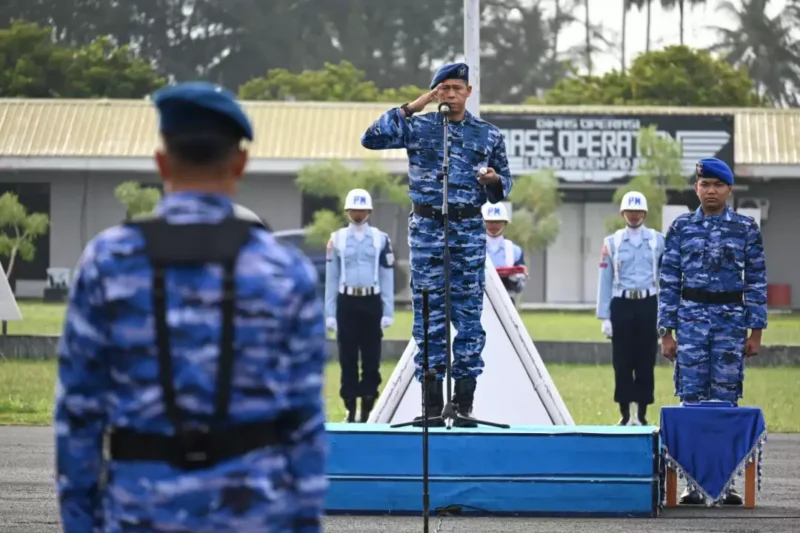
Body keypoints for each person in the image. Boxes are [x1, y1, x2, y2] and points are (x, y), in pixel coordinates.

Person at [54, 81, 328, 533]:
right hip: (254, 511)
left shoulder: (108, 262)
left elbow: (79, 413)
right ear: (240, 162)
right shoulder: (285, 271)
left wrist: (81, 522)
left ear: (162, 160)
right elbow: (304, 419)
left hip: (139, 510)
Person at [360, 62, 513, 427]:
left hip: (466, 233)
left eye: (457, 88)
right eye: (443, 88)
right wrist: (414, 106)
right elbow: (371, 138)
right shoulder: (418, 127)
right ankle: (430, 404)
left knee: (469, 319)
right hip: (428, 231)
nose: (450, 94)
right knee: (428, 317)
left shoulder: (487, 134)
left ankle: (463, 403)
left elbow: (504, 184)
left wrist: (493, 180)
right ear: (434, 92)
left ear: (468, 93)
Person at [658, 157, 767, 506]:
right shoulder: (681, 228)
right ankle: (692, 484)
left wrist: (755, 333)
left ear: (729, 189)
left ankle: (726, 483)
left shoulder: (746, 228)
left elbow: (757, 281)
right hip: (690, 322)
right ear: (696, 188)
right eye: (705, 185)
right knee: (691, 401)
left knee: (724, 404)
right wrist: (666, 332)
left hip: (730, 323)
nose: (711, 191)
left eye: (718, 185)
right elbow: (669, 281)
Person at [325, 188, 395, 423]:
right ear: (347, 210)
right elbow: (331, 277)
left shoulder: (381, 238)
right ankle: (350, 405)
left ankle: (367, 404)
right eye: (354, 208)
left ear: (369, 211)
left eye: (362, 208)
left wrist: (388, 310)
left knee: (371, 356)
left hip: (371, 301)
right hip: (347, 302)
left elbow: (387, 276)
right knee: (347, 356)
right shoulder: (336, 239)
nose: (358, 213)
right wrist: (330, 312)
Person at [596, 191, 665, 426]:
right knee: (622, 361)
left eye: (638, 211)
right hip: (622, 304)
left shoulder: (657, 240)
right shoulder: (612, 242)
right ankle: (625, 414)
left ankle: (642, 414)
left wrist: (665, 312)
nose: (634, 215)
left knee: (646, 359)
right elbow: (604, 279)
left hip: (648, 303)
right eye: (629, 211)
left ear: (644, 213)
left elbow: (665, 278)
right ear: (622, 213)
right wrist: (604, 316)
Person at [481, 202, 527, 301]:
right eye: (489, 221)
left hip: (507, 302)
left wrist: (515, 280)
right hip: (481, 302)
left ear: (505, 223)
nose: (493, 225)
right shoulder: (475, 247)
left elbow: (520, 288)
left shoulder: (515, 251)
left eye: (498, 221)